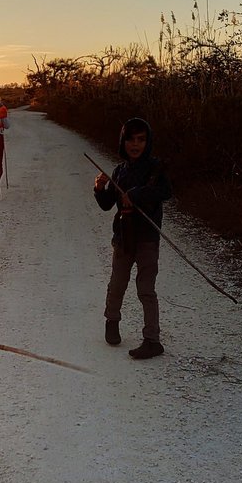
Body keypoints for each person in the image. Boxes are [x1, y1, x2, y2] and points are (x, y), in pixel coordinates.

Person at [93, 117, 172, 359]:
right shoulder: (119, 171)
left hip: (147, 239)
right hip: (123, 238)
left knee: (146, 289)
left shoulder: (156, 168)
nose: (135, 145)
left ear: (147, 142)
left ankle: (152, 339)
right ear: (123, 142)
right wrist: (99, 189)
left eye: (141, 140)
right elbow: (107, 205)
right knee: (117, 284)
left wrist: (137, 194)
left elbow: (165, 192)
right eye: (130, 140)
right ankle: (112, 321)